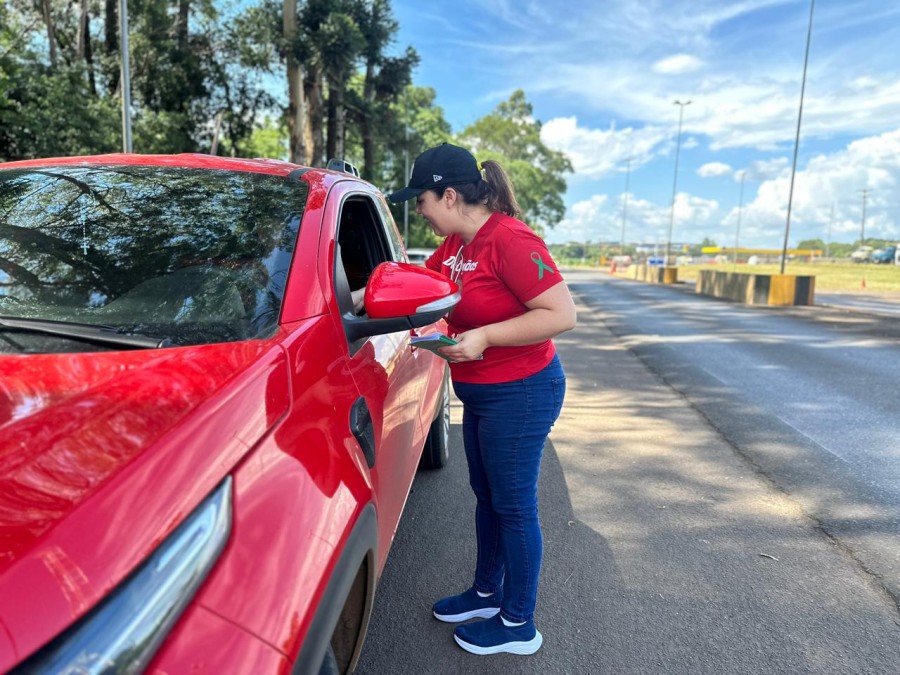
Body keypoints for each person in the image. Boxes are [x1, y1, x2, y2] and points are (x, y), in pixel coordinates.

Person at [388, 143, 576, 656]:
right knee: (487, 496)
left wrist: (486, 337)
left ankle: (518, 624)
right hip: (483, 394)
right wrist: (359, 297)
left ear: (449, 196)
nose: (420, 211)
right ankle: (486, 594)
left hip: (522, 391)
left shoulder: (510, 240)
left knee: (513, 506)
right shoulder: (456, 245)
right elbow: (421, 286)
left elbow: (561, 314)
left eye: (422, 200)